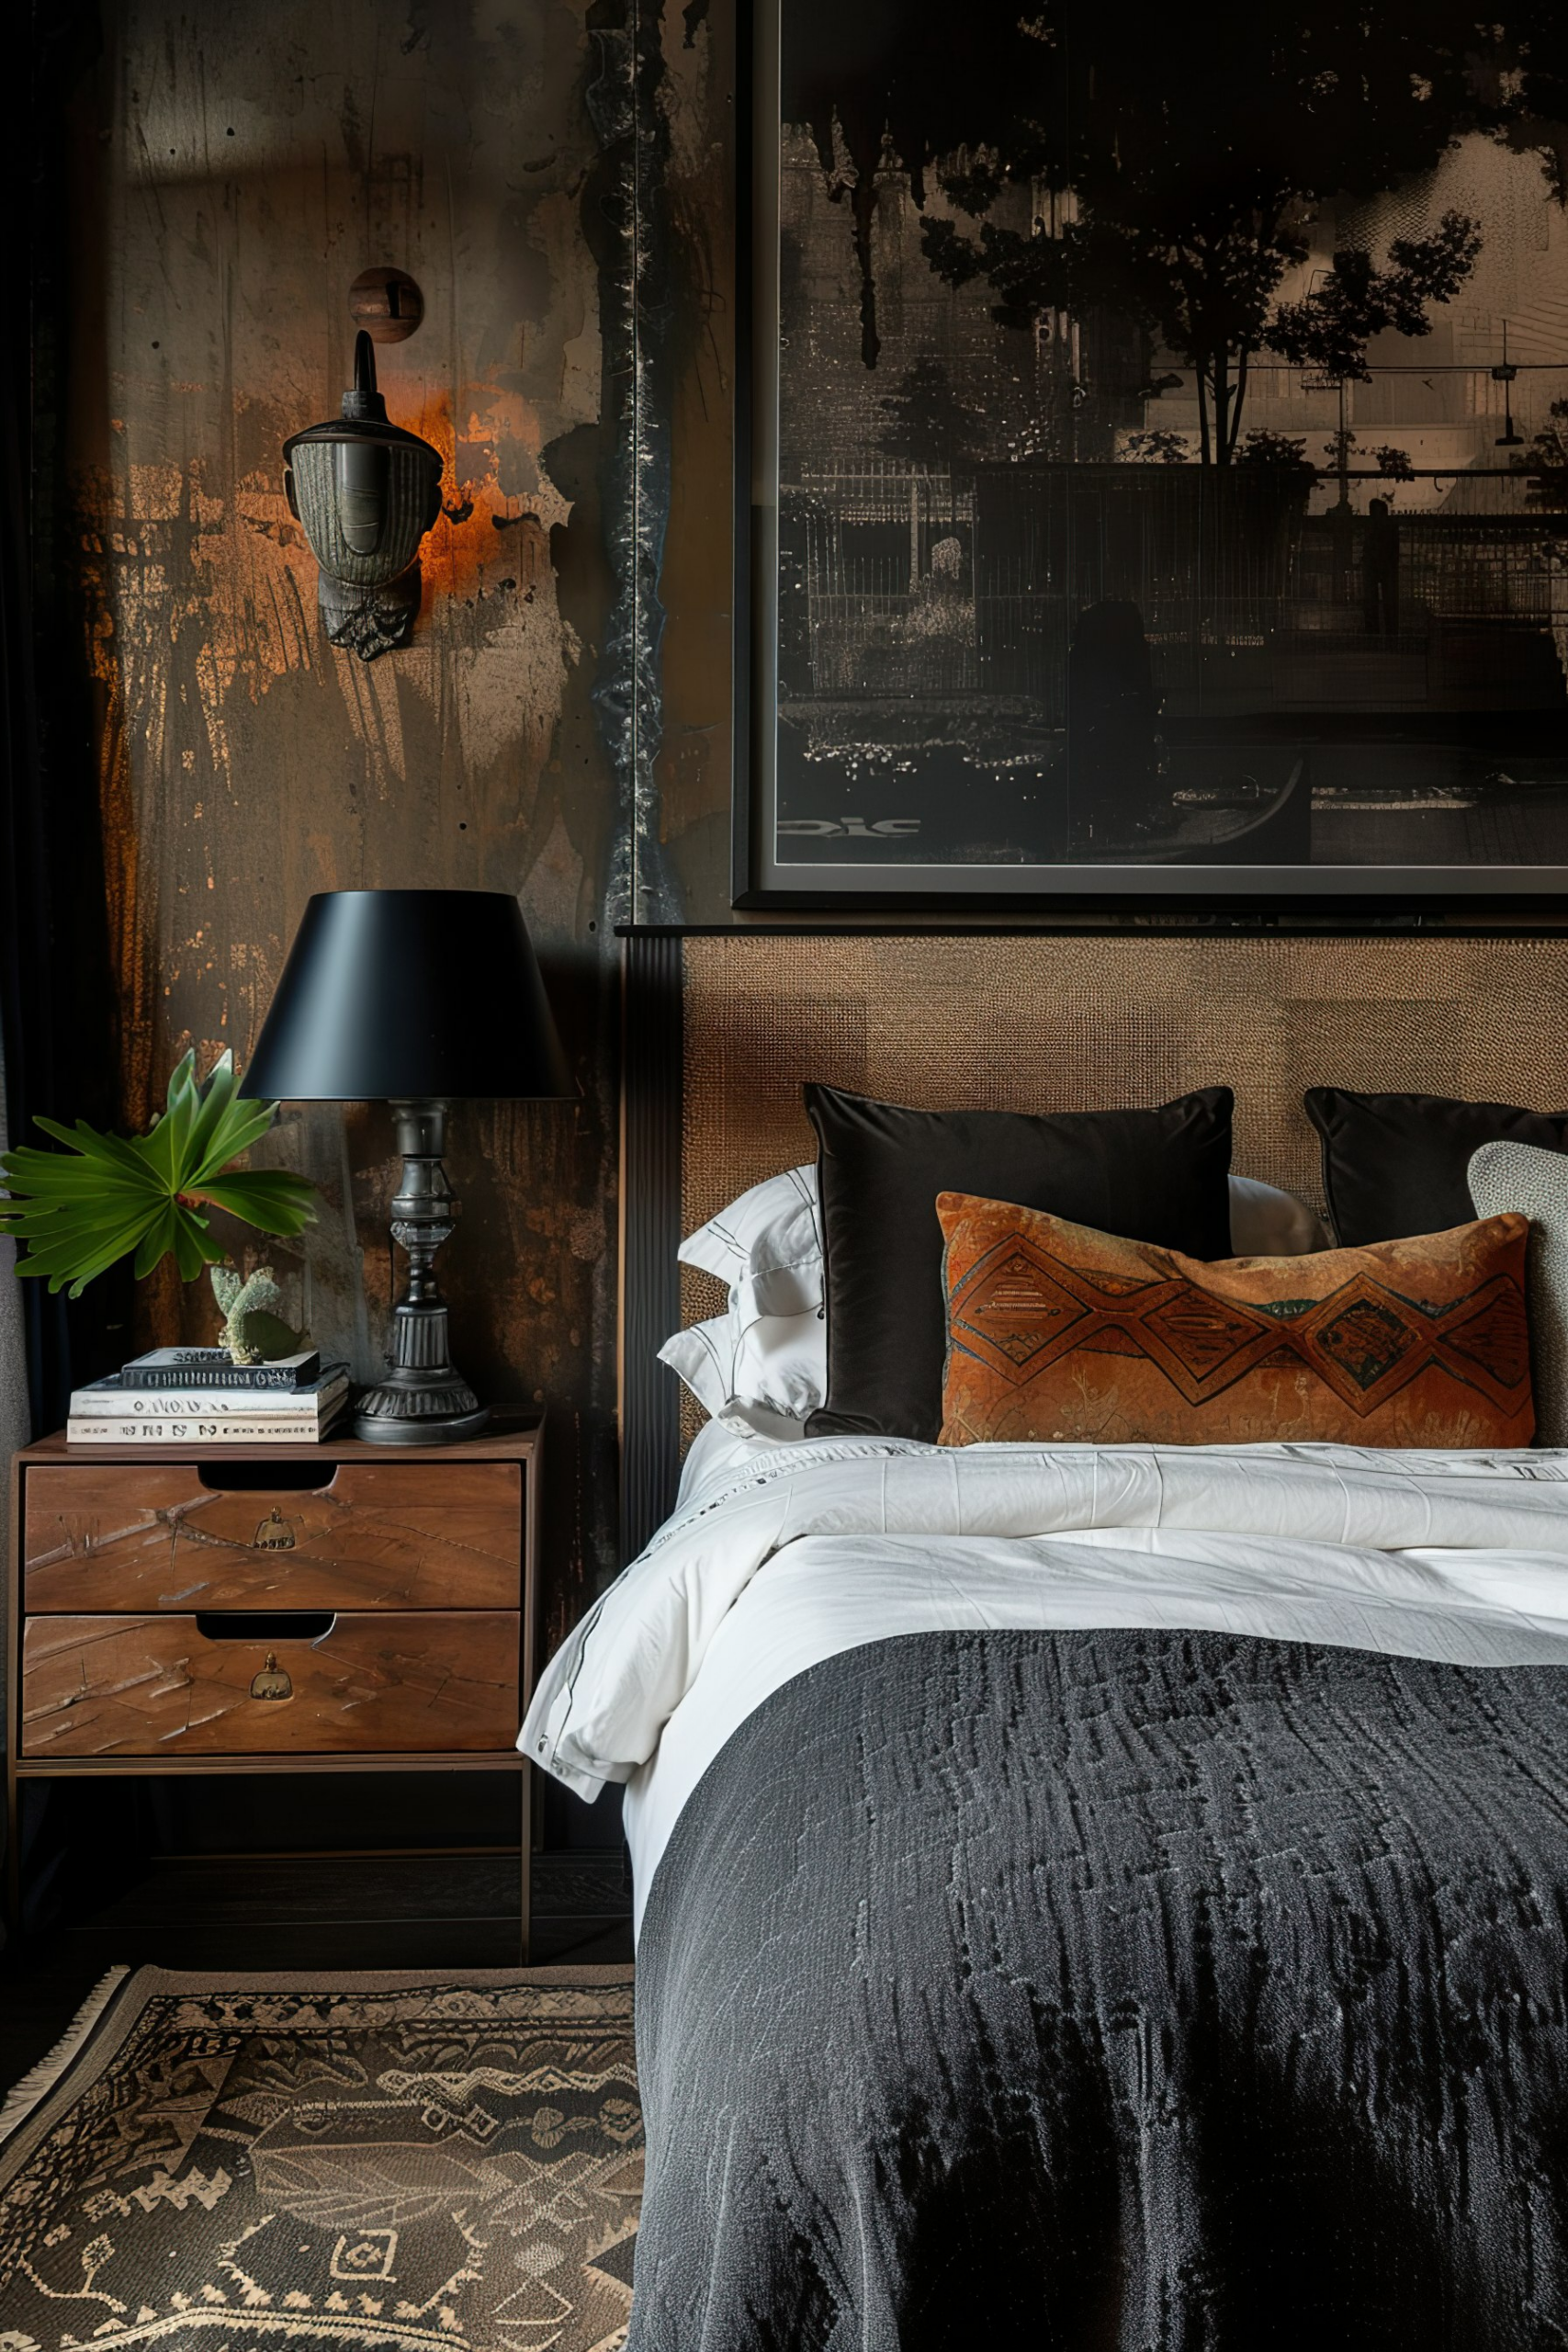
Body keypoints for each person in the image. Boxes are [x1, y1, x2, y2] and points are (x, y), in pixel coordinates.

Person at [1362, 498, 1400, 638]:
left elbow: (1368, 548)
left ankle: (1372, 634)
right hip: (1387, 567)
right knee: (1389, 603)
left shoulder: (1371, 526)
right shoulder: (1390, 526)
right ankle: (1391, 634)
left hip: (1374, 567)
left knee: (1371, 603)